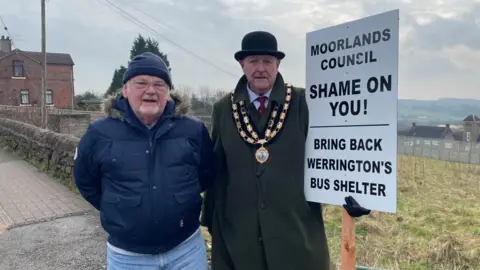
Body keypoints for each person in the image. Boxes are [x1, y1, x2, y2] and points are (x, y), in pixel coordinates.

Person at [200, 31, 371, 270]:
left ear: (278, 64)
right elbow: (217, 169)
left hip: (296, 235)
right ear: (242, 65)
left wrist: (355, 194)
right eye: (253, 61)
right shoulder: (223, 109)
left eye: (267, 61)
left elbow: (335, 153)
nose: (261, 68)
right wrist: (210, 220)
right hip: (239, 238)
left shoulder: (304, 102)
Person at [74, 52, 214, 270]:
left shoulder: (193, 129)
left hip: (186, 249)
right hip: (128, 257)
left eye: (159, 84)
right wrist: (118, 207)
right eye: (141, 83)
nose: (151, 91)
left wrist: (181, 201)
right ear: (125, 90)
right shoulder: (99, 133)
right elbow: (86, 181)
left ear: (168, 93)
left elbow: (206, 174)